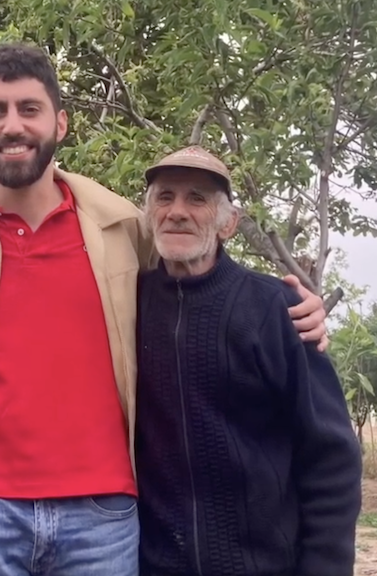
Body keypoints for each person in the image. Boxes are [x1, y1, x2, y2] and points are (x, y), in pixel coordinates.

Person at [0, 42, 329, 576]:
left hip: (104, 516)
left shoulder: (122, 226)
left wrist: (288, 308)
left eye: (29, 109)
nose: (13, 126)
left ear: (61, 123)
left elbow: (194, 283)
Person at [135, 146, 361, 576]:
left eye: (197, 198)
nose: (177, 211)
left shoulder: (276, 309)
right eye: (165, 197)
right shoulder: (127, 304)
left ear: (229, 223)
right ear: (149, 215)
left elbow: (330, 455)